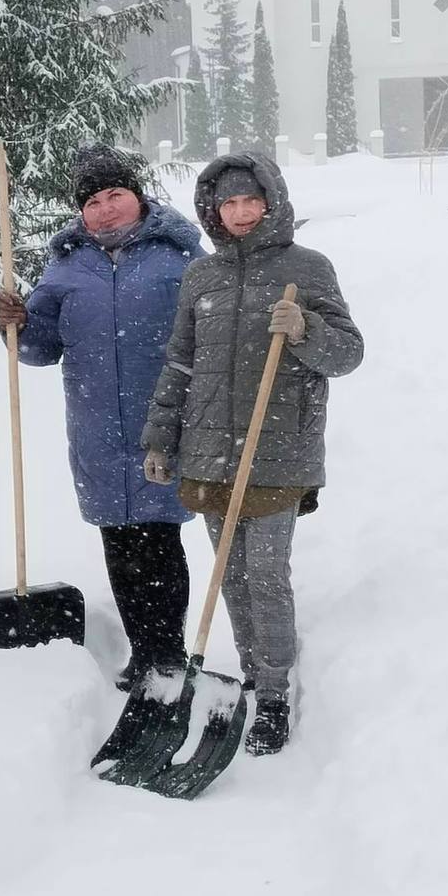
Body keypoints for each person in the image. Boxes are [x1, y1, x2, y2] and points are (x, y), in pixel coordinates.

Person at [142, 153, 363, 754]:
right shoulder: (202, 276)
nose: (239, 213)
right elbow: (181, 362)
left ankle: (274, 693)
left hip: (277, 451)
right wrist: (162, 437)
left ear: (271, 202)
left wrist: (305, 330)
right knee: (231, 575)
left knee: (266, 574)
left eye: (249, 201)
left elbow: (347, 354)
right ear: (213, 212)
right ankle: (249, 673)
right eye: (227, 204)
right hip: (210, 454)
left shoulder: (307, 268)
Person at [0, 144, 205, 686]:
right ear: (80, 210)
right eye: (93, 200)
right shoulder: (66, 264)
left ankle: (169, 654)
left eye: (116, 195)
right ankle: (142, 653)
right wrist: (14, 323)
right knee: (120, 543)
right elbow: (40, 349)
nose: (106, 208)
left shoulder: (179, 257)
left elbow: (212, 337)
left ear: (137, 196)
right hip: (97, 428)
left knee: (161, 539)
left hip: (164, 422)